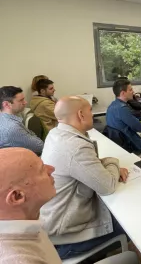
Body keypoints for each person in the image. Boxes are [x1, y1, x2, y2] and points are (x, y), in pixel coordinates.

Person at [40, 96, 130, 260]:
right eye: (90, 110)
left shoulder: (56, 133)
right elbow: (108, 185)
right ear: (81, 114)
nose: (93, 114)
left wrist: (103, 165)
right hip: (68, 236)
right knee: (132, 223)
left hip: (56, 224)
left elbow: (86, 165)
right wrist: (113, 162)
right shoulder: (75, 146)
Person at [0, 148, 60, 264]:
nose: (51, 169)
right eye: (41, 170)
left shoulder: (27, 219)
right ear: (17, 196)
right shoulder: (19, 259)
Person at [107, 79, 141, 152]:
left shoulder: (112, 105)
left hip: (129, 136)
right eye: (130, 90)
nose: (133, 92)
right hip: (133, 143)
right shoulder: (123, 109)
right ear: (123, 93)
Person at [0, 86, 44, 155]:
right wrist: (31, 134)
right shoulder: (12, 128)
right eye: (21, 100)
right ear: (6, 104)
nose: (25, 102)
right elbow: (40, 146)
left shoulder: (4, 118)